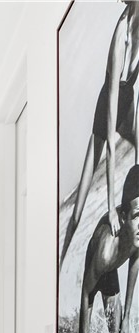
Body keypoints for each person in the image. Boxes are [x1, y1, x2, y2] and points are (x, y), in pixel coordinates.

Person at [62, 1, 139, 264]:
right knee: (78, 210)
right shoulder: (121, 37)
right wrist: (110, 208)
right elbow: (110, 144)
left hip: (127, 103)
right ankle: (58, 262)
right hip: (108, 107)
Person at [72, 165, 139, 333]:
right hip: (97, 270)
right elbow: (86, 293)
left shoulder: (137, 233)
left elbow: (135, 262)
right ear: (123, 217)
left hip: (109, 272)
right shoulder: (105, 250)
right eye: (137, 216)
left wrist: (127, 317)